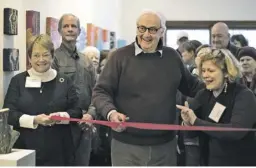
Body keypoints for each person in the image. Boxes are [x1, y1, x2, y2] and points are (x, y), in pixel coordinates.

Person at [92, 9, 203, 166]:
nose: (146, 34)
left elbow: (193, 87)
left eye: (152, 29)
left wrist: (221, 84)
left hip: (165, 146)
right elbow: (100, 91)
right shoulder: (119, 57)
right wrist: (111, 113)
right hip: (126, 146)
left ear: (161, 32)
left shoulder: (172, 57)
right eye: (141, 28)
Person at [3, 34, 82, 166]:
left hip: (59, 150)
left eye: (45, 55)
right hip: (24, 149)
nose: (41, 59)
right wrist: (34, 120)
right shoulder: (18, 81)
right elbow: (9, 114)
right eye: (36, 55)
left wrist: (62, 116)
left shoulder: (65, 81)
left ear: (52, 56)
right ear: (29, 58)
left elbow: (77, 111)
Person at [177, 47, 256, 166]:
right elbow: (195, 133)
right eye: (203, 71)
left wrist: (196, 121)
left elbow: (236, 131)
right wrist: (188, 123)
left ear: (225, 72)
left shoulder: (244, 95)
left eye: (211, 70)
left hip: (239, 161)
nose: (205, 75)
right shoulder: (203, 94)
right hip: (209, 161)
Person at [52, 13, 97, 166]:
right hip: (63, 127)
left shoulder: (87, 61)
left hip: (85, 126)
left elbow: (97, 92)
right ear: (59, 31)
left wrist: (90, 115)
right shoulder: (53, 59)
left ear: (79, 31)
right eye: (66, 26)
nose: (70, 29)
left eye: (73, 26)